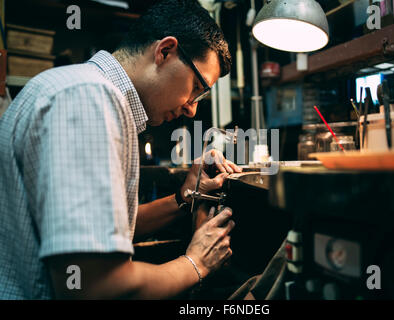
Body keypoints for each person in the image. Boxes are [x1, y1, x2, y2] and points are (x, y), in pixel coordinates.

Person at [0, 0, 242, 299]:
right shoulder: (91, 98)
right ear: (165, 51)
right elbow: (95, 284)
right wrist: (195, 263)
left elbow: (101, 232)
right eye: (196, 87)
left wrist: (185, 197)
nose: (192, 109)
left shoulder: (77, 88)